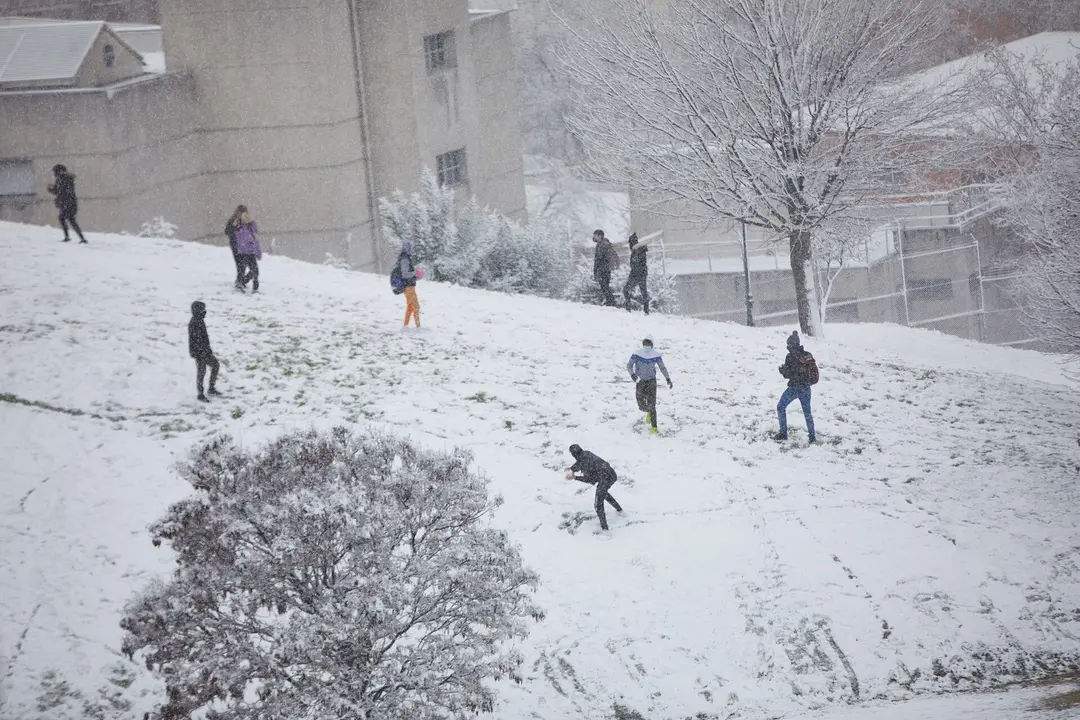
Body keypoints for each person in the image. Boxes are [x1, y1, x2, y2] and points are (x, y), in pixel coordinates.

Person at [566, 444, 623, 532]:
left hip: (605, 479)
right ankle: (619, 510)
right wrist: (572, 469)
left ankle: (605, 529)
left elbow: (590, 479)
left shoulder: (584, 464)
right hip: (611, 473)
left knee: (598, 505)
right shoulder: (586, 453)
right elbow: (580, 462)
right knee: (603, 493)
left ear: (573, 455)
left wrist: (575, 477)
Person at [627, 337, 672, 435]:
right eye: (645, 345)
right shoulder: (637, 354)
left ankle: (654, 427)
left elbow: (662, 367)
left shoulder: (655, 355)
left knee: (652, 405)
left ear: (652, 345)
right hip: (640, 382)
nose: (646, 347)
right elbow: (629, 365)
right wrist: (633, 375)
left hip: (651, 382)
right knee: (641, 405)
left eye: (648, 345)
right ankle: (648, 411)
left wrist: (668, 378)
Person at [777, 330, 816, 443]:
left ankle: (783, 433)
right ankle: (812, 436)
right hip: (806, 389)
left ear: (791, 345)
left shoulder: (790, 357)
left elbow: (789, 374)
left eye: (788, 345)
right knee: (807, 412)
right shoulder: (807, 355)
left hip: (794, 388)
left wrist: (782, 371)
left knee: (780, 407)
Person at [188, 301, 221, 403]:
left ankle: (211, 388)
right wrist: (201, 352)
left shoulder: (199, 320)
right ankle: (200, 394)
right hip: (200, 353)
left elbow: (203, 339)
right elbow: (196, 341)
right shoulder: (194, 323)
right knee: (202, 372)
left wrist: (207, 350)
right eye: (202, 309)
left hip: (205, 351)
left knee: (215, 365)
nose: (204, 311)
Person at [47, 164, 87, 244]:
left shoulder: (66, 180)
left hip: (69, 204)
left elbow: (64, 192)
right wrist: (51, 189)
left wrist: (57, 193)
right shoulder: (60, 180)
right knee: (66, 219)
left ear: (59, 171)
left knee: (70, 220)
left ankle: (78, 238)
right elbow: (59, 192)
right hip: (66, 204)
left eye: (55, 172)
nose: (54, 174)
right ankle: (73, 237)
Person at [233, 209, 261, 293]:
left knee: (253, 270)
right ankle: (243, 282)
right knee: (248, 269)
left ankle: (246, 283)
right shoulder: (240, 229)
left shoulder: (250, 228)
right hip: (244, 253)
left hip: (249, 252)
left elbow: (255, 229)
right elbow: (242, 241)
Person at [592, 229, 619, 306]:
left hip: (604, 269)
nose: (594, 237)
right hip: (604, 269)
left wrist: (599, 269)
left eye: (595, 235)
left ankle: (611, 302)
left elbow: (600, 258)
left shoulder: (603, 244)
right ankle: (610, 301)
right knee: (604, 286)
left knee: (604, 286)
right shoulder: (601, 244)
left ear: (600, 236)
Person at [624, 233, 649, 314]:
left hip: (637, 274)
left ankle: (628, 308)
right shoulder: (638, 250)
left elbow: (636, 264)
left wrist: (634, 275)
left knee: (626, 290)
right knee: (643, 291)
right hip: (641, 273)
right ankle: (646, 310)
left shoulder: (638, 251)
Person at [399, 241, 421, 328]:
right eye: (410, 248)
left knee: (410, 307)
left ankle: (405, 326)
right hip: (408, 287)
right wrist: (415, 273)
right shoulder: (405, 259)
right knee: (416, 306)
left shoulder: (406, 257)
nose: (412, 249)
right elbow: (405, 274)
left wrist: (418, 276)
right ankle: (418, 327)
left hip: (409, 286)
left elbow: (409, 275)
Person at [224, 206, 246, 289]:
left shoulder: (246, 222)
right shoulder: (232, 220)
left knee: (243, 264)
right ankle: (240, 280)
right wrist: (233, 226)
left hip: (244, 245)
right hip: (235, 245)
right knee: (239, 263)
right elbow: (227, 231)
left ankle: (240, 280)